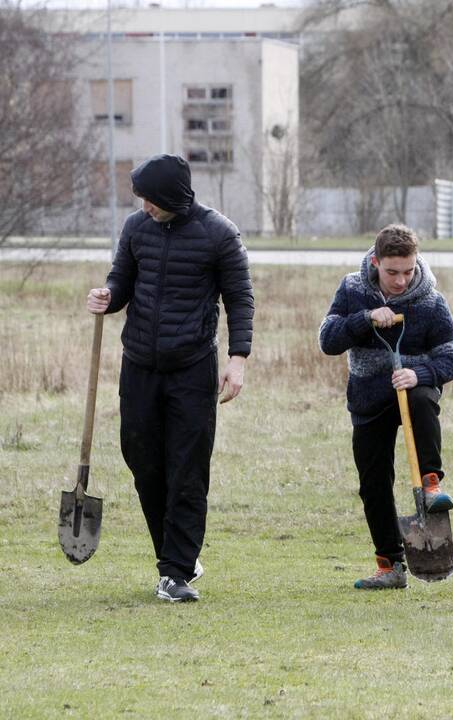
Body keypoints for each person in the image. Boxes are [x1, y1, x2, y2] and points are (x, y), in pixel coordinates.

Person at [86, 154, 254, 603]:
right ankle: (177, 553)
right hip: (139, 363)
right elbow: (121, 283)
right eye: (140, 199)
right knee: (142, 458)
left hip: (193, 367)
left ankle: (174, 571)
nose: (144, 207)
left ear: (172, 197)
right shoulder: (136, 229)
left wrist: (238, 360)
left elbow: (240, 300)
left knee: (187, 467)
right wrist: (107, 295)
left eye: (150, 199)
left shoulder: (220, 233)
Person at [319, 224, 453, 590]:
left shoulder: (431, 301)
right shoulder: (353, 289)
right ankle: (390, 567)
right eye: (392, 272)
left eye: (408, 271)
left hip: (412, 395)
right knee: (373, 483)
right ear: (375, 262)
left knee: (420, 394)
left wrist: (421, 373)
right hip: (369, 397)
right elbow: (328, 340)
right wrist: (366, 318)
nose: (401, 281)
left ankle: (431, 486)